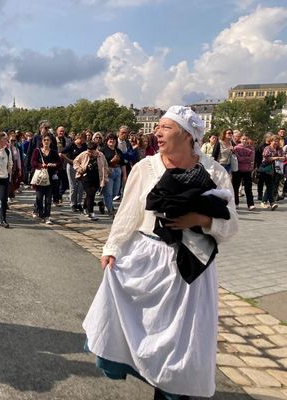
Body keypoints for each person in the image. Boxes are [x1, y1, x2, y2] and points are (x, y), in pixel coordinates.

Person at [83, 106, 238, 400]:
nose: (157, 131)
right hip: (146, 259)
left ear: (188, 135)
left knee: (178, 345)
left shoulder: (213, 172)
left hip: (189, 267)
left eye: (166, 127)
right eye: (158, 126)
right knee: (141, 333)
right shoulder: (146, 168)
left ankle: (171, 391)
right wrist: (112, 248)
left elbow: (231, 227)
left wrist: (201, 220)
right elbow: (128, 213)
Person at [31, 133, 61, 224]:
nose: (46, 142)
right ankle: (40, 213)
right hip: (40, 178)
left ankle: (47, 216)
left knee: (48, 199)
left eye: (48, 140)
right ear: (42, 141)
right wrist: (40, 165)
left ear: (51, 141)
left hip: (50, 178)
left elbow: (59, 163)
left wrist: (54, 165)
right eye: (45, 140)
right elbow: (33, 162)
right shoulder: (37, 151)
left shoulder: (54, 152)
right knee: (39, 198)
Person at [73, 141, 108, 221]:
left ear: (95, 150)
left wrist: (105, 178)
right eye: (88, 151)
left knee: (91, 194)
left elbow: (105, 166)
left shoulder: (101, 155)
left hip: (97, 177)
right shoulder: (84, 154)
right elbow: (75, 161)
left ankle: (85, 207)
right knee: (90, 193)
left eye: (91, 151)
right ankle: (91, 213)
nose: (89, 153)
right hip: (85, 176)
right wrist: (79, 169)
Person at [61, 132, 88, 212]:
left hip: (80, 167)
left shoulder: (84, 146)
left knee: (80, 186)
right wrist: (70, 160)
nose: (83, 141)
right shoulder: (71, 145)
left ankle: (79, 203)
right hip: (71, 166)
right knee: (73, 186)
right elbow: (62, 153)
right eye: (82, 139)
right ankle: (73, 203)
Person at [100, 133, 126, 216]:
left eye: (114, 139)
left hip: (117, 172)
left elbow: (123, 164)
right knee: (109, 193)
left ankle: (103, 202)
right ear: (107, 141)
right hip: (108, 172)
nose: (112, 141)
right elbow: (101, 163)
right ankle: (110, 210)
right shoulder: (103, 150)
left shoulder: (118, 151)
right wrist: (111, 162)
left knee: (115, 193)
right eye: (110, 139)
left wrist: (124, 175)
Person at [260, 135, 284, 210]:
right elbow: (265, 158)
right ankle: (267, 202)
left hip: (277, 169)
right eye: (274, 141)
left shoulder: (279, 149)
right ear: (271, 141)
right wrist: (276, 158)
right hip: (268, 168)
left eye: (277, 141)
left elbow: (283, 157)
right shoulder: (267, 148)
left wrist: (281, 158)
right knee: (270, 185)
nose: (276, 142)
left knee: (273, 185)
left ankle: (269, 202)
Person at [232, 135, 255, 210]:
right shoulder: (236, 148)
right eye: (243, 139)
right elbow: (237, 158)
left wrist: (243, 158)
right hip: (237, 170)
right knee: (235, 187)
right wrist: (246, 158)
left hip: (247, 170)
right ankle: (235, 203)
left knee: (248, 188)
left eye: (246, 139)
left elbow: (251, 158)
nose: (244, 140)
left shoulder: (251, 148)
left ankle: (250, 204)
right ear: (240, 140)